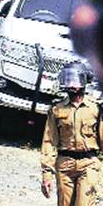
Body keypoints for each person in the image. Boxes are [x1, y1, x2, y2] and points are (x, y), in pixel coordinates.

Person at [40, 62, 101, 206]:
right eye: (68, 80)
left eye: (74, 80)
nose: (71, 84)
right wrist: (46, 175)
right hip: (64, 165)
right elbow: (49, 142)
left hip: (89, 164)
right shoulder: (57, 109)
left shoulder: (96, 109)